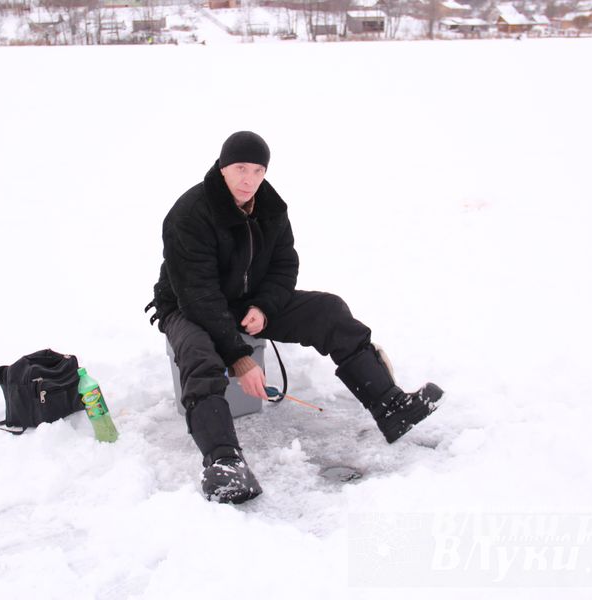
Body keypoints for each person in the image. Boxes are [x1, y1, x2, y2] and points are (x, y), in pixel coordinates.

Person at [146, 131, 444, 504]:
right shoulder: (190, 213)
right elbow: (198, 295)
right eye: (240, 168)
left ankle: (390, 405)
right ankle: (224, 464)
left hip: (248, 300)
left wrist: (264, 308)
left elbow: (284, 267)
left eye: (258, 170)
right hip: (186, 304)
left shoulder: (271, 208)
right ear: (222, 168)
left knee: (328, 311)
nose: (248, 179)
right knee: (200, 355)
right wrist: (239, 358)